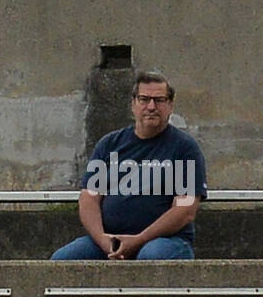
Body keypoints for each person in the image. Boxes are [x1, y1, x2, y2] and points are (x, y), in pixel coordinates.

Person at [52, 71, 207, 261]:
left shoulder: (185, 149)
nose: (151, 106)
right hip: (108, 241)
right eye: (144, 99)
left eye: (159, 100)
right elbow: (89, 199)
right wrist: (103, 241)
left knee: (151, 257)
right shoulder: (109, 144)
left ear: (170, 105)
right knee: (63, 260)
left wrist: (139, 240)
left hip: (165, 241)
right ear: (133, 104)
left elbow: (185, 210)